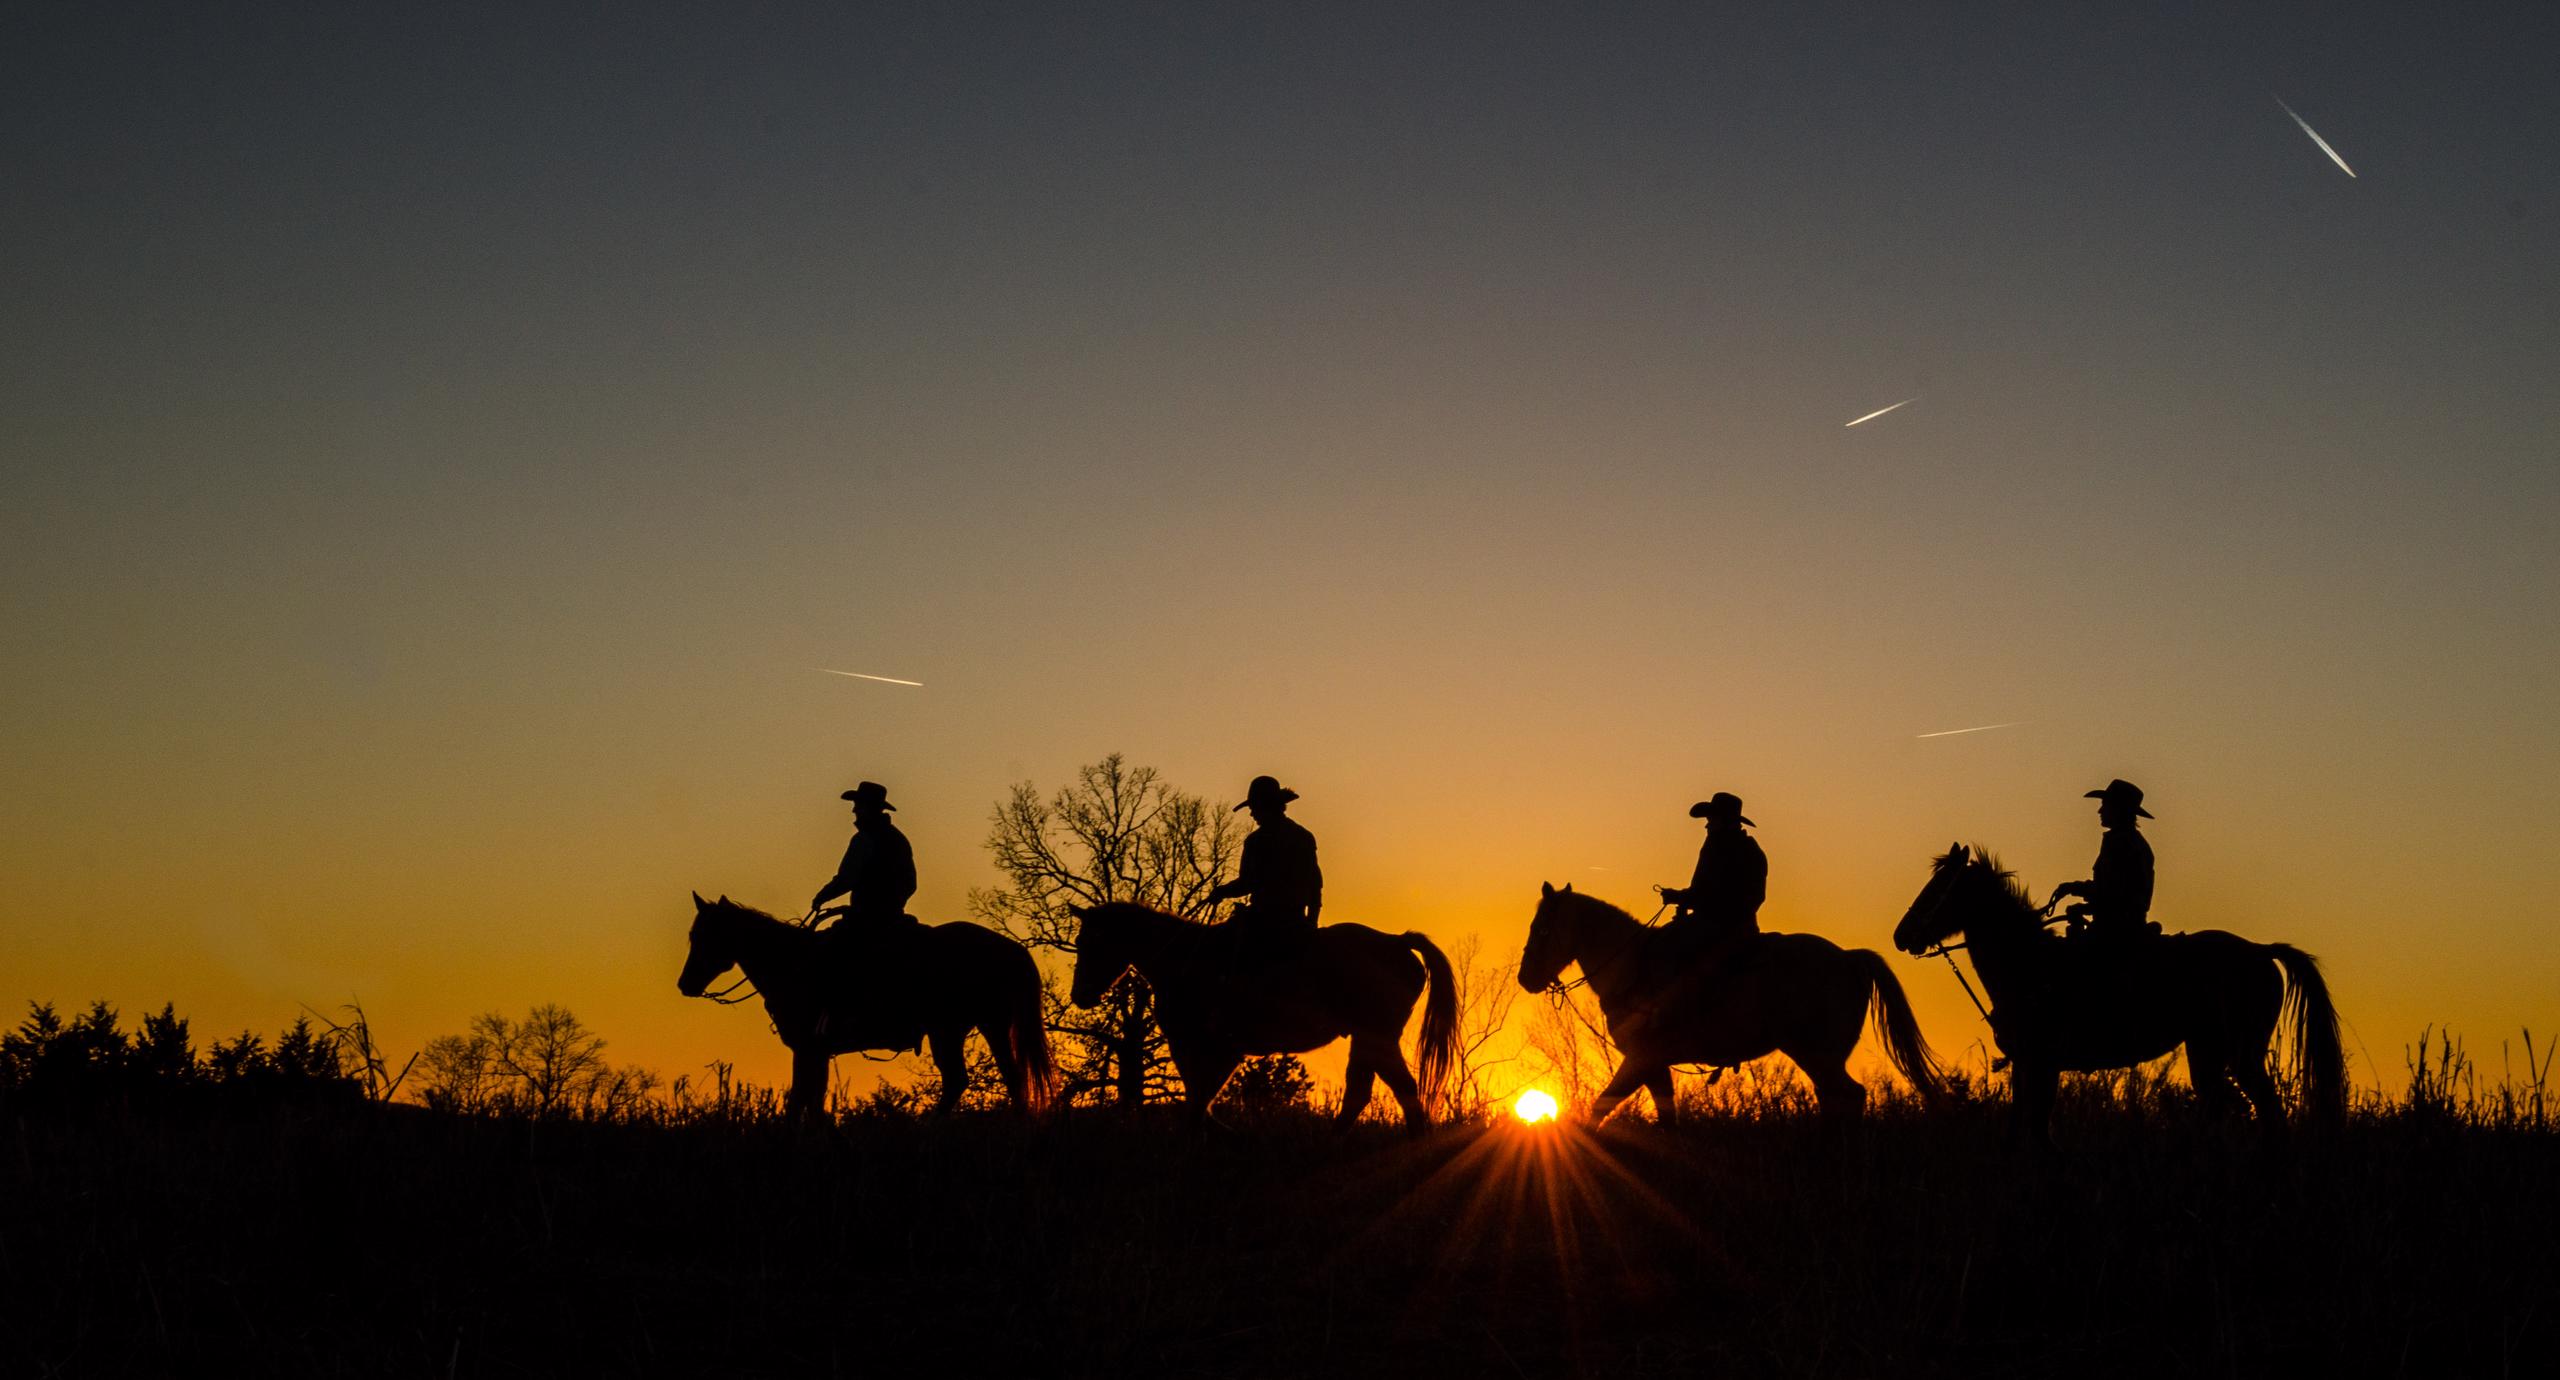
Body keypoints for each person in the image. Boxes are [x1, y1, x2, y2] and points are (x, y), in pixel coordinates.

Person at [1208, 775, 1323, 958]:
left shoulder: (1256, 841)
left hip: (1262, 922)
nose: (1252, 813)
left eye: (1253, 808)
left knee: (1219, 952)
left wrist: (1220, 892)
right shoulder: (1303, 836)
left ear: (1264, 807)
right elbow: (1315, 884)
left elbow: (1247, 883)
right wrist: (1311, 922)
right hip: (1296, 921)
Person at [1657, 791, 1768, 970]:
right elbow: (1709, 891)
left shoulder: (1730, 850)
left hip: (1722, 927)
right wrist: (1682, 897)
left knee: (1669, 951)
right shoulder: (1738, 847)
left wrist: (1680, 898)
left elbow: (1712, 894)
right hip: (1731, 925)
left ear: (1723, 821)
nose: (1707, 826)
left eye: (1711, 820)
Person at [2050, 778, 2156, 943]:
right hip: (2121, 926)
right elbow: (2112, 891)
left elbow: (2114, 895)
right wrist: (2077, 890)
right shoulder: (2128, 842)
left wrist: (2076, 891)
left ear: (2119, 810)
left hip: (2116, 932)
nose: (2100, 811)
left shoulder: (2123, 844)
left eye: (2105, 805)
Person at [812, 781, 918, 930]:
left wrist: (822, 896)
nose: (854, 810)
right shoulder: (898, 838)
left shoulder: (864, 839)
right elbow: (911, 883)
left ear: (868, 807)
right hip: (893, 915)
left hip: (866, 918)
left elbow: (846, 879)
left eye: (857, 805)